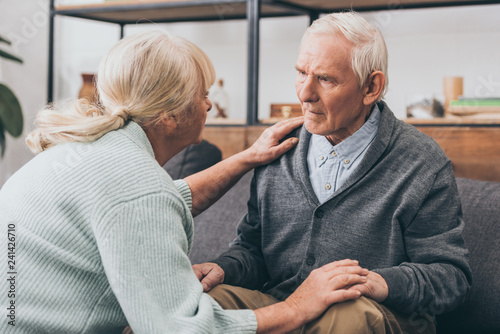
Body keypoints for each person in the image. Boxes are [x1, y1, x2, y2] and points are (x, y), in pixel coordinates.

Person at [0, 30, 370, 334]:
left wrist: (245, 157)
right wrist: (297, 307)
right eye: (202, 94)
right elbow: (184, 330)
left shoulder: (87, 152)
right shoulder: (137, 188)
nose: (209, 105)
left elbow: (163, 200)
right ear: (169, 117)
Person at [194, 12, 472, 333]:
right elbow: (253, 250)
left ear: (371, 87)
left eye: (325, 79)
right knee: (202, 302)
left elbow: (452, 278)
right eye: (301, 73)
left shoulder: (421, 160)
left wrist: (379, 282)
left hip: (374, 313)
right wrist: (222, 268)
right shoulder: (279, 147)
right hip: (283, 305)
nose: (304, 93)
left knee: (347, 311)